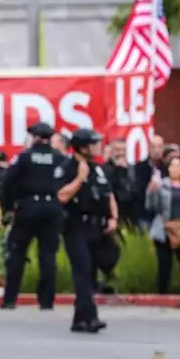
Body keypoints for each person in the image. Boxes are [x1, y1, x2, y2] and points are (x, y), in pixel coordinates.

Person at [0, 121, 69, 310]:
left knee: (16, 254)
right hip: (52, 209)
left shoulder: (24, 157)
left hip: (27, 208)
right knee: (47, 256)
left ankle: (10, 299)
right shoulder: (59, 158)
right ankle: (46, 301)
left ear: (35, 137)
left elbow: (7, 182)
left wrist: (8, 206)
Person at [60, 128, 113, 333]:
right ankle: (90, 317)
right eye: (94, 143)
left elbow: (107, 193)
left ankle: (79, 319)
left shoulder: (96, 168)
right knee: (82, 270)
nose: (98, 146)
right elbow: (61, 196)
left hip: (95, 226)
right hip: (75, 226)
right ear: (83, 147)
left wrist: (112, 217)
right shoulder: (68, 167)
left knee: (90, 273)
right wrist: (80, 178)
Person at [145, 154, 180, 295]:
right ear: (168, 168)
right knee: (164, 267)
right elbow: (151, 207)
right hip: (165, 230)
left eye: (179, 166)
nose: (176, 169)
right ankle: (162, 295)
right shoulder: (160, 185)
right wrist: (151, 191)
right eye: (173, 166)